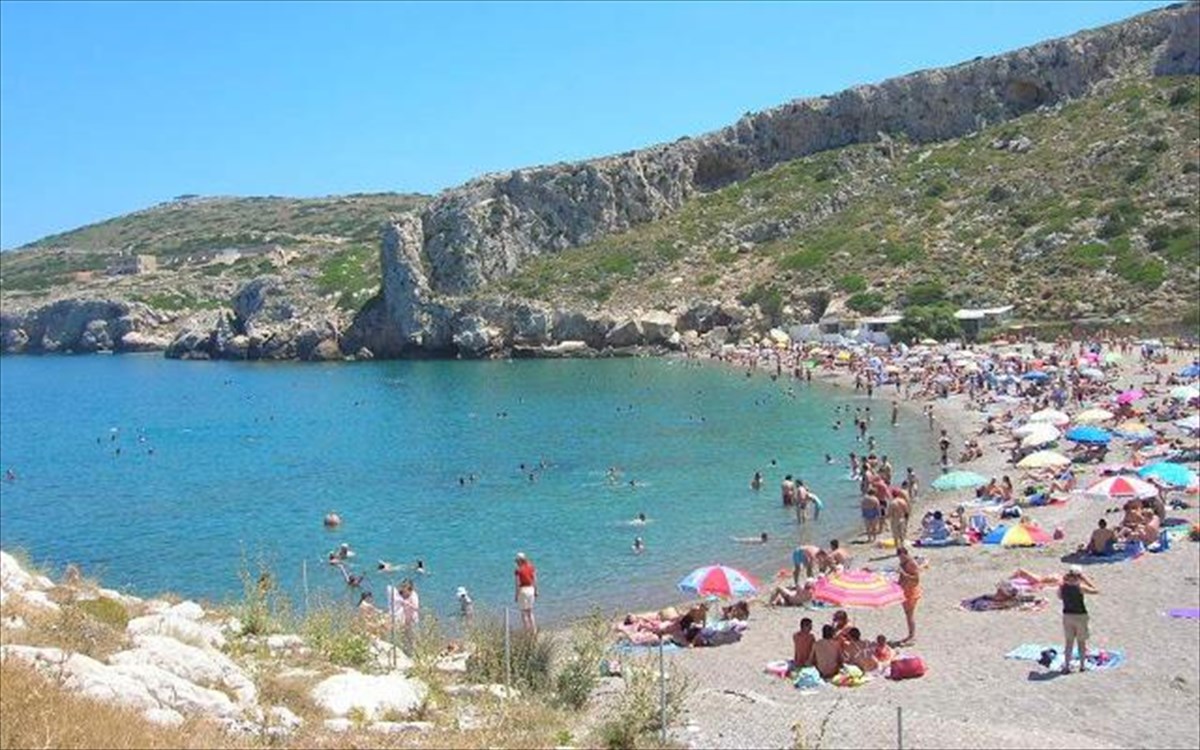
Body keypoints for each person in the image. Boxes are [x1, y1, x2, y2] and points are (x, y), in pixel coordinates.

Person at [1058, 565, 1100, 674]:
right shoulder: (1080, 587)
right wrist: (1086, 580)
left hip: (1067, 616)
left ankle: (1067, 666)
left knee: (1069, 642)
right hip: (1080, 616)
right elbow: (1096, 590)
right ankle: (1082, 666)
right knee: (1081, 642)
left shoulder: (1062, 587)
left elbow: (1060, 597)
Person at [896, 546, 921, 645]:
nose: (901, 559)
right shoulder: (902, 564)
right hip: (905, 592)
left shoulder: (912, 563)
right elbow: (901, 579)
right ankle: (910, 635)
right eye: (900, 557)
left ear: (906, 554)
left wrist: (905, 574)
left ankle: (912, 636)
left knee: (910, 615)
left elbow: (916, 580)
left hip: (912, 592)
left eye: (902, 557)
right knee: (908, 615)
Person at [514, 552, 538, 633]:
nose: (516, 563)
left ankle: (527, 632)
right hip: (531, 589)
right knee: (530, 612)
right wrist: (536, 591)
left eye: (517, 561)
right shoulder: (531, 567)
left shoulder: (518, 570)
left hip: (523, 590)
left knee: (524, 613)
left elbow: (517, 584)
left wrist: (516, 595)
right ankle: (534, 631)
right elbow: (535, 580)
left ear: (519, 561)